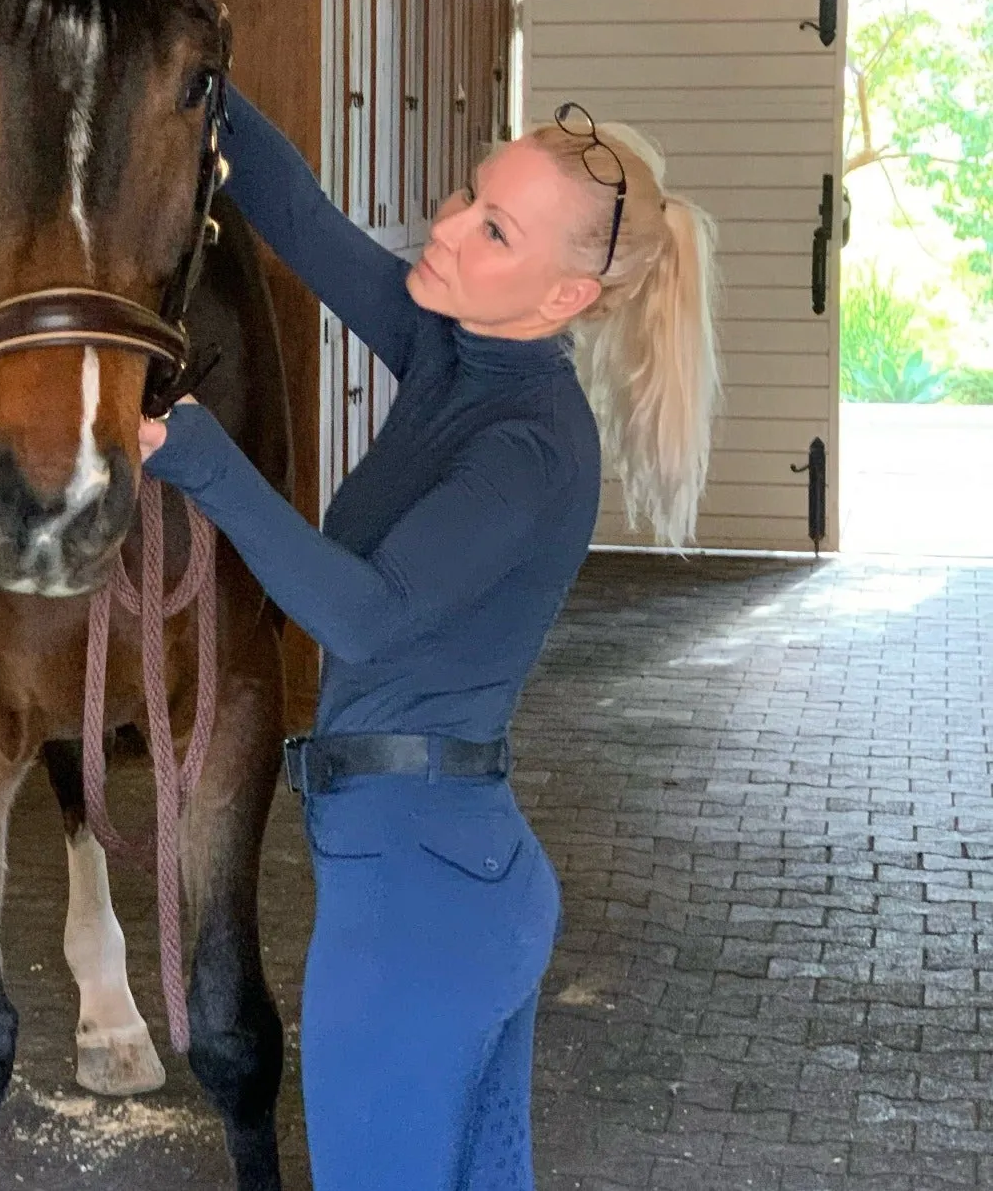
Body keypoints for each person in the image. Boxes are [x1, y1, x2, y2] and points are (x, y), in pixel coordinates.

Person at [140, 90, 720, 1191]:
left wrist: (198, 456)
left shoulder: (531, 444)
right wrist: (199, 74)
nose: (446, 228)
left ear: (566, 295)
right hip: (437, 877)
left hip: (420, 917)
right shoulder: (451, 347)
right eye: (469, 195)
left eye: (493, 229)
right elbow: (300, 218)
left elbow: (362, 612)